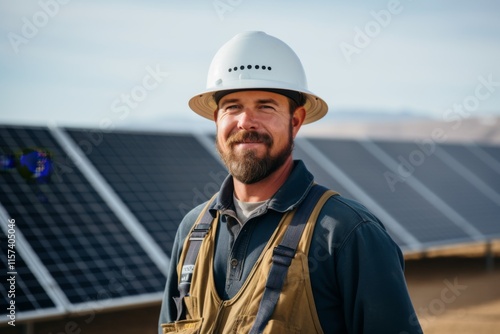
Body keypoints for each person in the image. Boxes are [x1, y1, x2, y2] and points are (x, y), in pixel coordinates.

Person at [158, 31, 422, 334]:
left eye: (265, 106)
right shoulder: (192, 231)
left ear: (295, 121)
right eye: (232, 106)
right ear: (217, 118)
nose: (246, 122)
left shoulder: (347, 232)